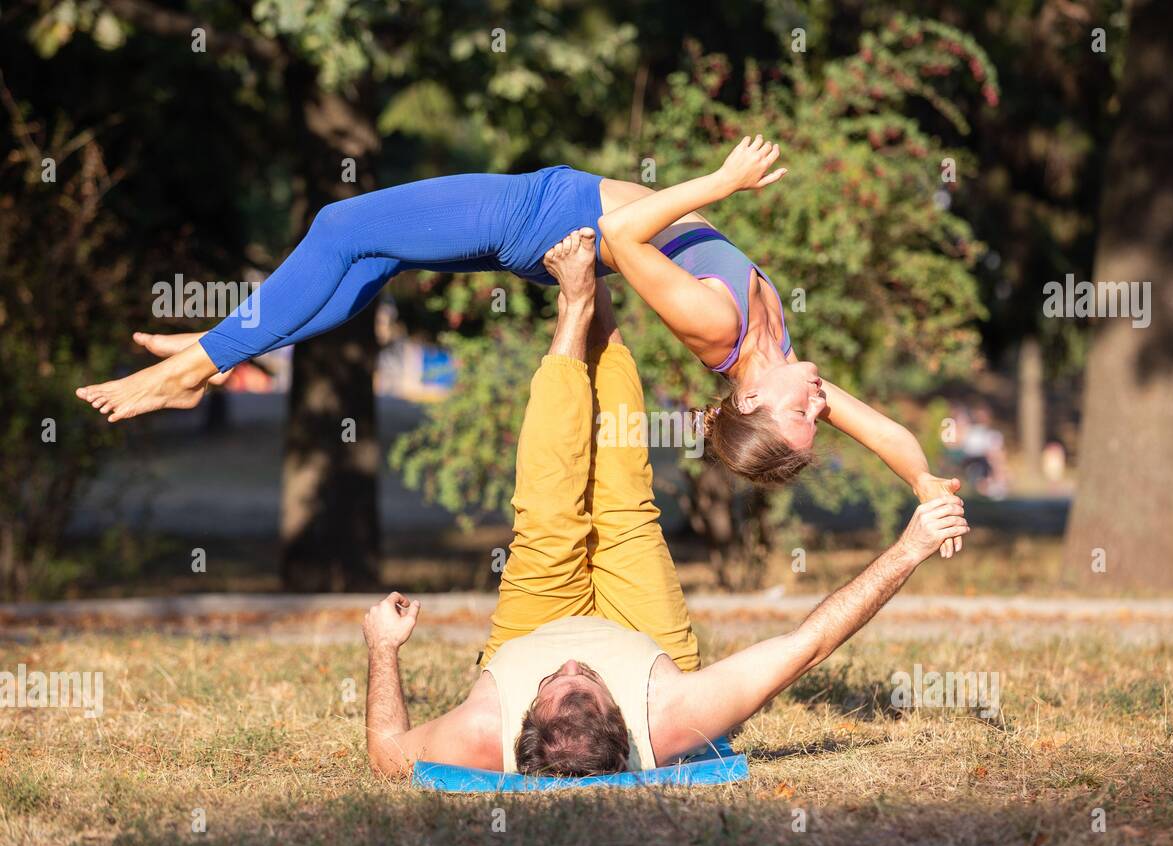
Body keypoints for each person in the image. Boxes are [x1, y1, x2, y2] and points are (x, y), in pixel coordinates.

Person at [75, 137, 963, 553]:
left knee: (342, 223)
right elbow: (885, 431)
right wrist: (927, 485)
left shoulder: (719, 326)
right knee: (366, 260)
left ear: (754, 403)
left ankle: (194, 369)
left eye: (809, 416)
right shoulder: (782, 358)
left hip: (538, 215)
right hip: (545, 212)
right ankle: (218, 355)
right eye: (820, 412)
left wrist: (719, 184)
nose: (822, 402)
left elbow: (622, 239)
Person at [363, 229, 969, 778]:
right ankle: (591, 289)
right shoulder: (671, 717)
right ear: (624, 728)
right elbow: (807, 644)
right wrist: (909, 548)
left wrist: (383, 650)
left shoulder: (480, 732)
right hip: (647, 640)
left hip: (528, 628)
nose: (574, 664)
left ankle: (577, 298)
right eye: (590, 685)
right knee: (624, 495)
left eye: (556, 685)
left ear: (525, 723)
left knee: (549, 512)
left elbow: (387, 753)